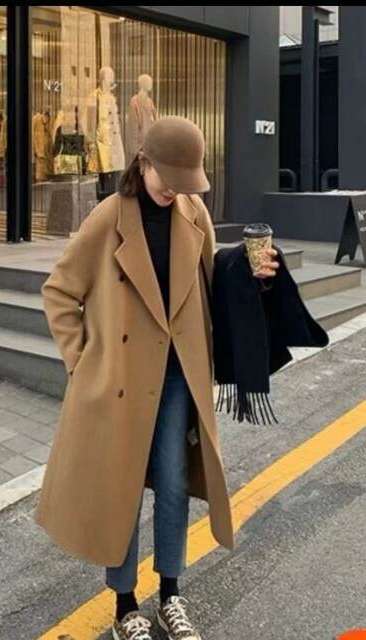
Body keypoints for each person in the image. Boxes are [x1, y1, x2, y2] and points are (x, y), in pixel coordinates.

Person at [35, 116, 279, 640]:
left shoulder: (193, 213)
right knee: (121, 488)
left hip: (175, 378)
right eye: (167, 178)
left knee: (172, 483)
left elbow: (210, 284)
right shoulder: (108, 217)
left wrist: (251, 274)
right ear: (142, 162)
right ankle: (125, 606)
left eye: (184, 181)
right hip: (121, 380)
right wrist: (84, 363)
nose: (174, 190)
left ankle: (171, 595)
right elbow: (58, 291)